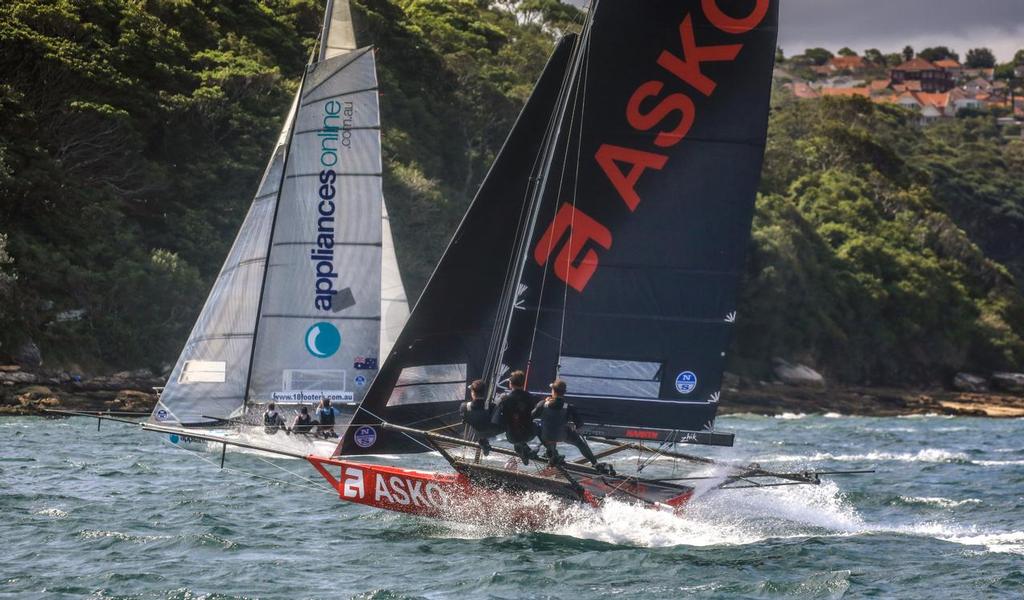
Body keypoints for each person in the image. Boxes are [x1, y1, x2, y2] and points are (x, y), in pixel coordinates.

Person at [532, 379, 611, 473]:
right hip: (561, 435)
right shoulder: (569, 407)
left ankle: (552, 454)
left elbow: (532, 415)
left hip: (546, 436)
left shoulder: (542, 404)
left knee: (546, 429)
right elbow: (580, 424)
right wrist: (573, 425)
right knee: (580, 444)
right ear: (564, 393)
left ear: (553, 391)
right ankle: (595, 463)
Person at [491, 370, 537, 464]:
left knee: (516, 439)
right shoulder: (532, 398)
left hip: (512, 436)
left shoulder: (505, 399)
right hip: (529, 434)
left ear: (510, 384)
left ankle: (525, 454)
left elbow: (496, 419)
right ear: (523, 383)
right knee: (533, 428)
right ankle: (545, 452)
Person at [460, 379, 504, 455]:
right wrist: (500, 399)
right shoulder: (491, 406)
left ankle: (483, 442)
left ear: (472, 393)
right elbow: (496, 411)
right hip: (494, 432)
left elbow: (465, 419)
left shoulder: (464, 407)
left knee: (477, 424)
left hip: (479, 433)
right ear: (484, 393)